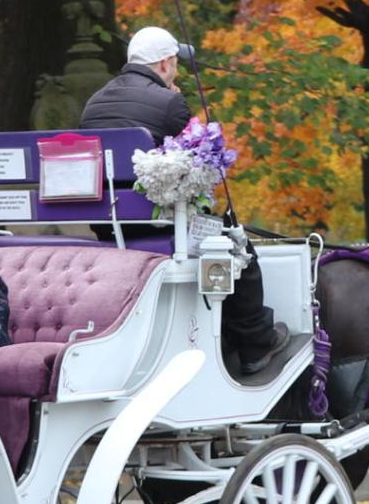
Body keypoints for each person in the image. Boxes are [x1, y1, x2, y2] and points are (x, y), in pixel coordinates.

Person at [80, 26, 286, 378]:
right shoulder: (170, 102)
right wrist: (174, 101)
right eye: (175, 63)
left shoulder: (93, 102)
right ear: (164, 64)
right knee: (239, 249)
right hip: (162, 225)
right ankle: (255, 345)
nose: (176, 71)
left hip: (109, 226)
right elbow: (192, 165)